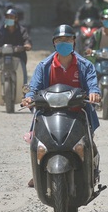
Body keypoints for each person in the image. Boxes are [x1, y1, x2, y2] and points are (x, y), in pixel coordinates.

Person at [22, 24, 101, 187]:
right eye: (59, 40)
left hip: (77, 112)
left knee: (89, 142)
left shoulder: (85, 65)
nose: (63, 43)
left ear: (74, 41)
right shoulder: (44, 66)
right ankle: (37, 174)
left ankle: (92, 171)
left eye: (67, 39)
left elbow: (93, 84)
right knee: (37, 143)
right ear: (54, 43)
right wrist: (29, 97)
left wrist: (94, 92)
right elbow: (34, 87)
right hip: (49, 113)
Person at [0, 8, 33, 101]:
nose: (9, 19)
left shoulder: (22, 30)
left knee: (23, 72)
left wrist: (27, 45)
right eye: (7, 17)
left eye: (11, 17)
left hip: (18, 57)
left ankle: (24, 92)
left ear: (16, 19)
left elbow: (26, 40)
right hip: (1, 56)